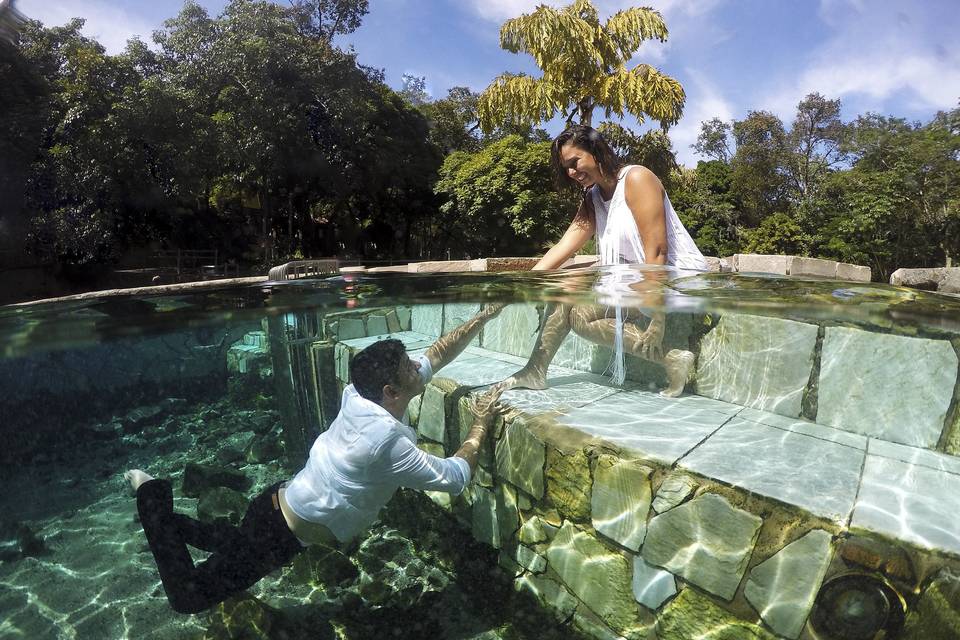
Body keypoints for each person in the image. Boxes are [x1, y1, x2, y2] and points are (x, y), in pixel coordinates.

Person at [125, 303, 506, 614]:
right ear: (392, 390)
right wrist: (480, 422)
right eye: (410, 366)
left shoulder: (361, 392)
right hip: (279, 532)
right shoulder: (386, 444)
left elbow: (437, 354)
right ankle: (150, 496)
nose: (417, 367)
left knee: (230, 541)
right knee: (189, 599)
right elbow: (456, 476)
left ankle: (170, 520)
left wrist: (484, 314)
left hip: (276, 509)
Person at [505, 124, 707, 396]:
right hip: (637, 277)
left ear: (596, 151)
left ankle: (534, 371)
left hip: (675, 277)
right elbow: (565, 245)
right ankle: (672, 359)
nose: (571, 172)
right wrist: (518, 285)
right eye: (566, 167)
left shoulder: (637, 179)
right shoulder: (593, 197)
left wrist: (658, 320)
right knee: (573, 305)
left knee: (573, 286)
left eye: (575, 162)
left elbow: (658, 250)